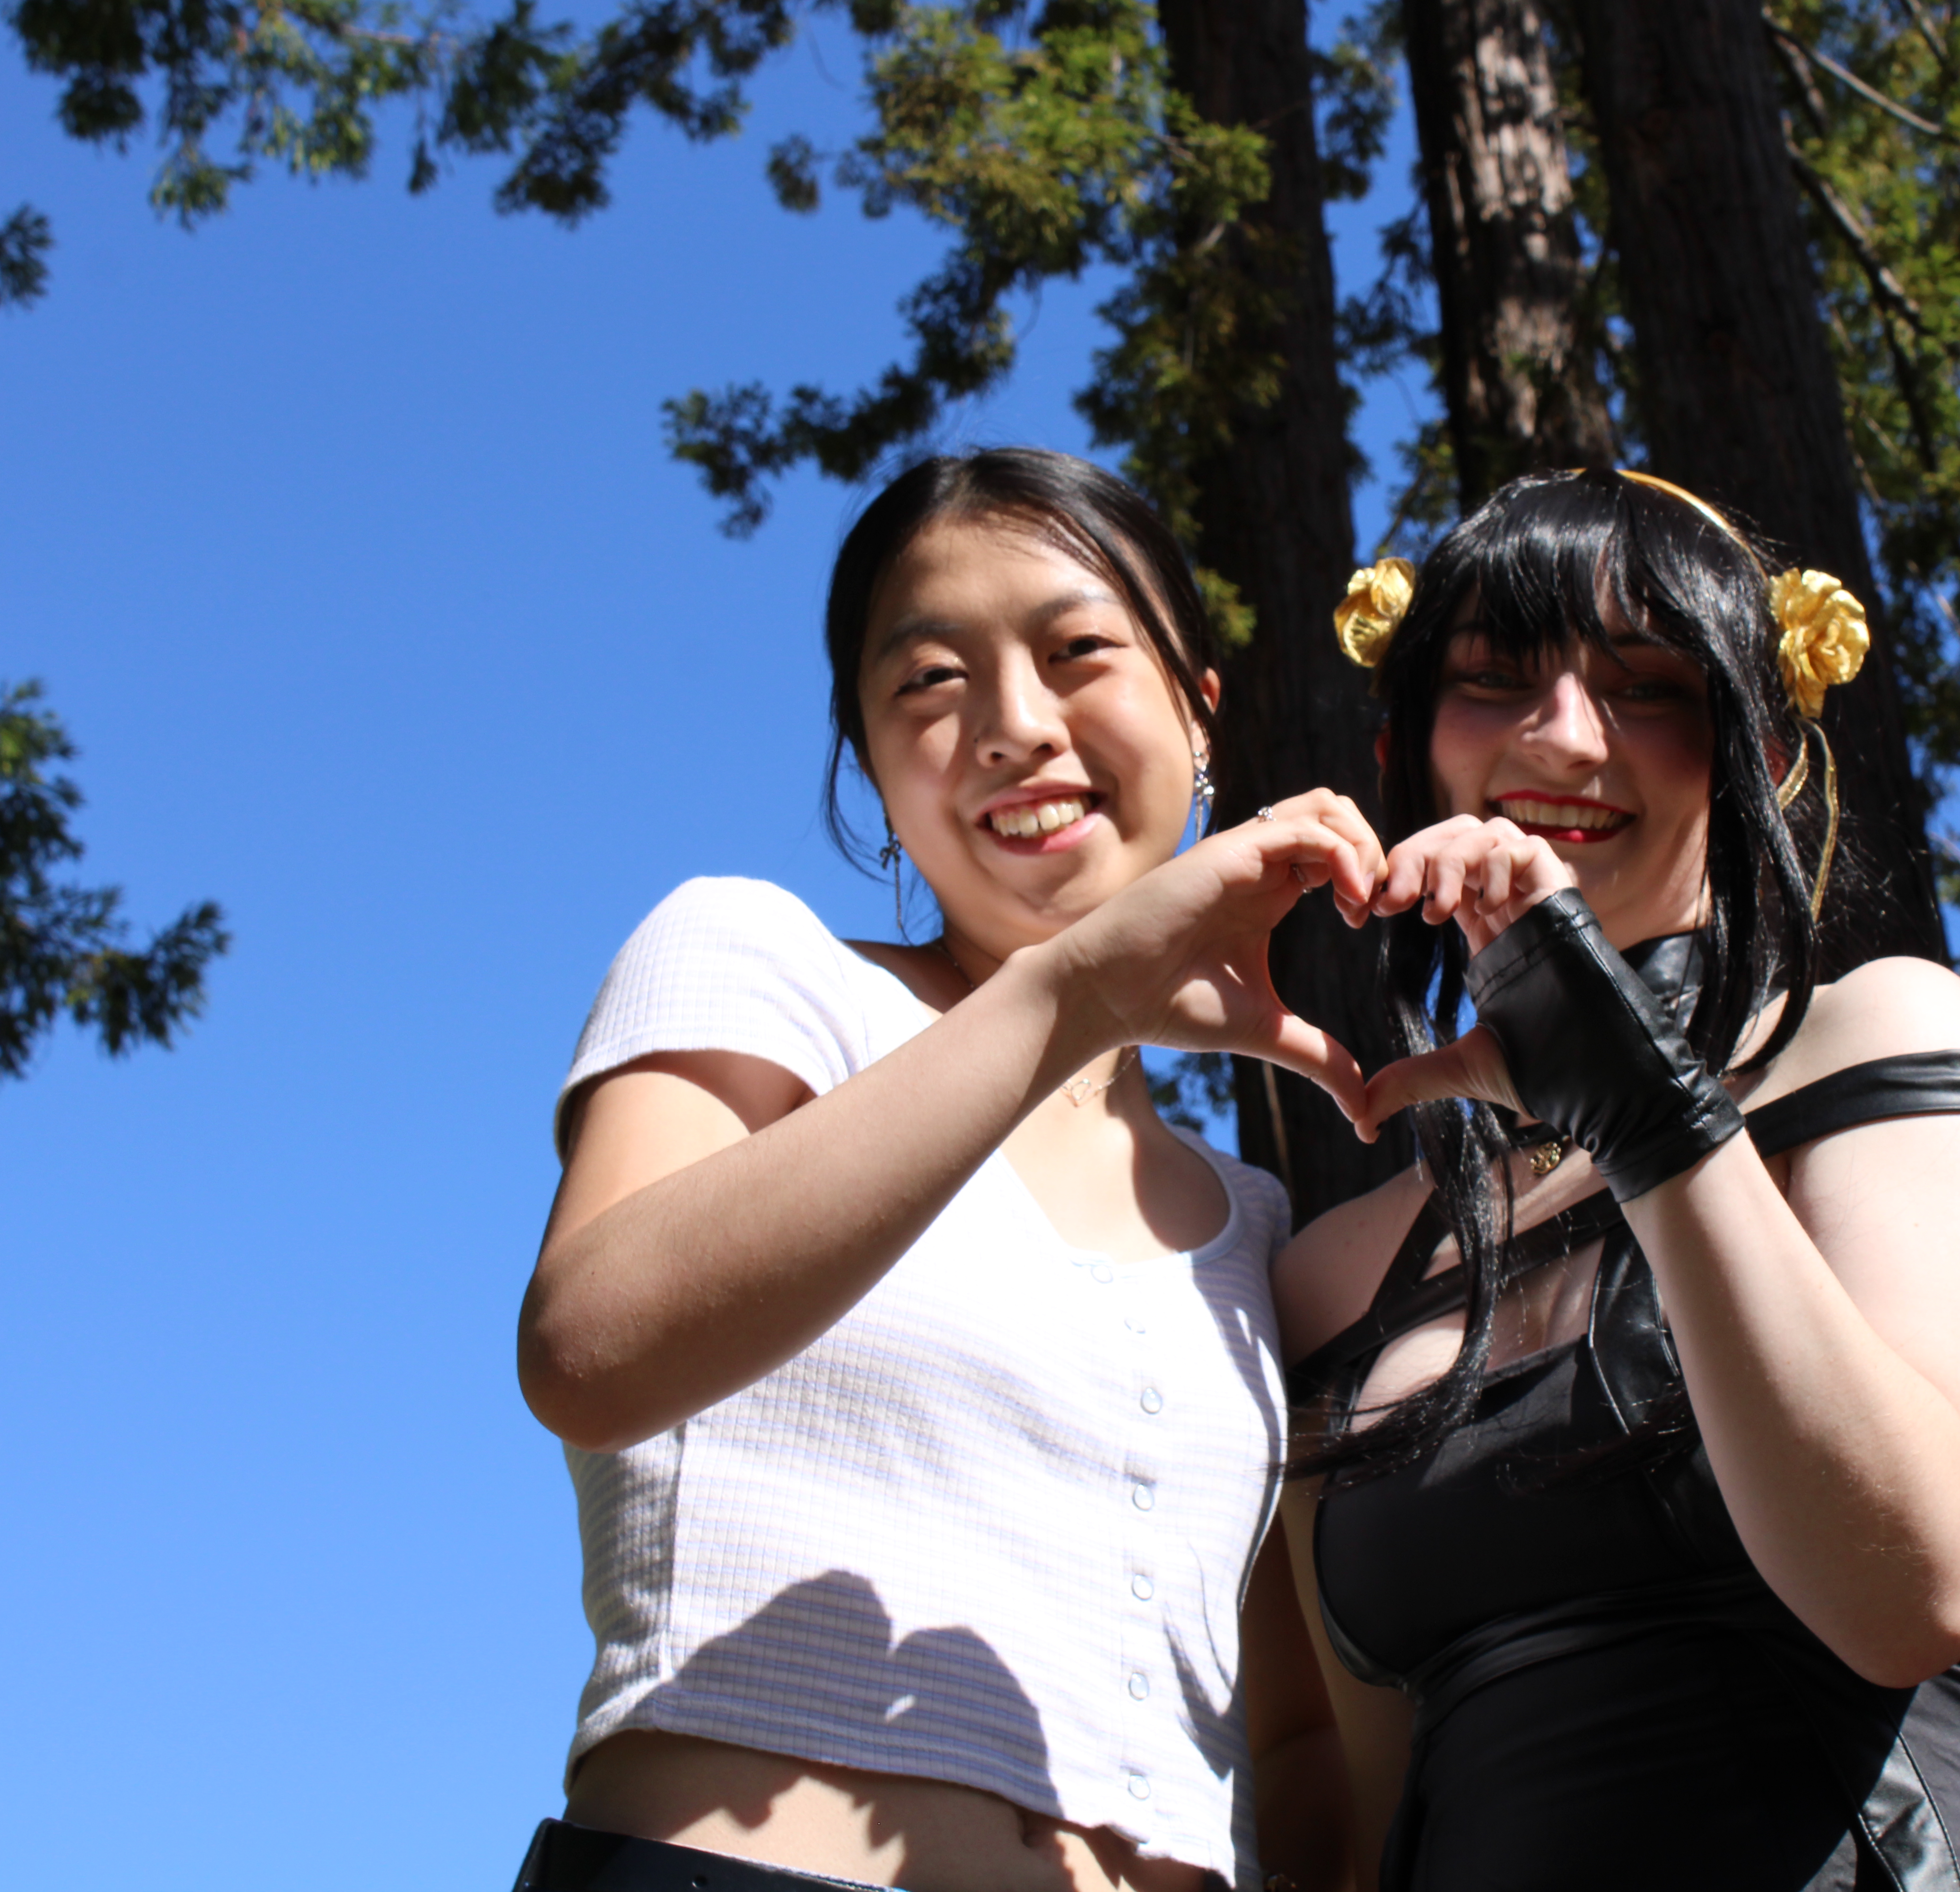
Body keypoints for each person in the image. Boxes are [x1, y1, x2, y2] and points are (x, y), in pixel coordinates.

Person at [513, 448, 1374, 1892]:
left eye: (1079, 650)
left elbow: (1291, 1736)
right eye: (929, 681)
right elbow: (590, 1349)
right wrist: (1076, 995)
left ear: (1199, 712)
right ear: (870, 765)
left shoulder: (1253, 1223)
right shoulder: (762, 965)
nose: (1014, 725)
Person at [1270, 468, 1960, 1890]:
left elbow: (1912, 1589)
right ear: (1402, 751)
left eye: (1648, 686)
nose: (1565, 736)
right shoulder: (1330, 1270)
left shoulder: (1878, 1039)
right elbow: (1361, 1807)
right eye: (1491, 679)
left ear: (1764, 755)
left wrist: (1643, 1109)